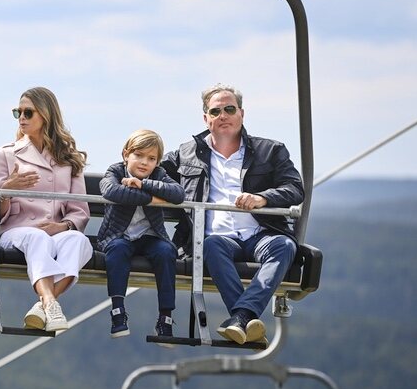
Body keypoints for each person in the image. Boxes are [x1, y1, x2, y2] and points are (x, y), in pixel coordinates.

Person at [161, 83, 304, 346]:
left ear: (241, 113)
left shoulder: (270, 151)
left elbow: (295, 188)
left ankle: (240, 318)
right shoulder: (186, 154)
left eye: (229, 109)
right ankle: (246, 320)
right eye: (215, 111)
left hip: (262, 234)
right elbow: (148, 171)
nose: (223, 116)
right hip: (219, 238)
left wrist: (263, 198)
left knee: (284, 245)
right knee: (211, 245)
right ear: (206, 118)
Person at [0, 86, 92, 332]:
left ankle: (44, 304)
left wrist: (63, 226)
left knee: (79, 242)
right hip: (17, 231)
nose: (22, 118)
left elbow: (79, 209)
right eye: (18, 113)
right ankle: (50, 302)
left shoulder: (69, 158)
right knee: (36, 237)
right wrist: (7, 189)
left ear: (45, 115)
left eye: (28, 113)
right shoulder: (7, 154)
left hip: (54, 230)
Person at [97, 129, 184, 345]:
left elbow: (178, 194)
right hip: (119, 235)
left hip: (150, 236)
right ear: (126, 154)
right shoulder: (115, 171)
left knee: (165, 253)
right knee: (117, 251)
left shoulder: (158, 175)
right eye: (139, 155)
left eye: (151, 158)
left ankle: (165, 317)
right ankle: (118, 311)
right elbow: (112, 192)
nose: (144, 163)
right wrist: (154, 198)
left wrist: (143, 184)